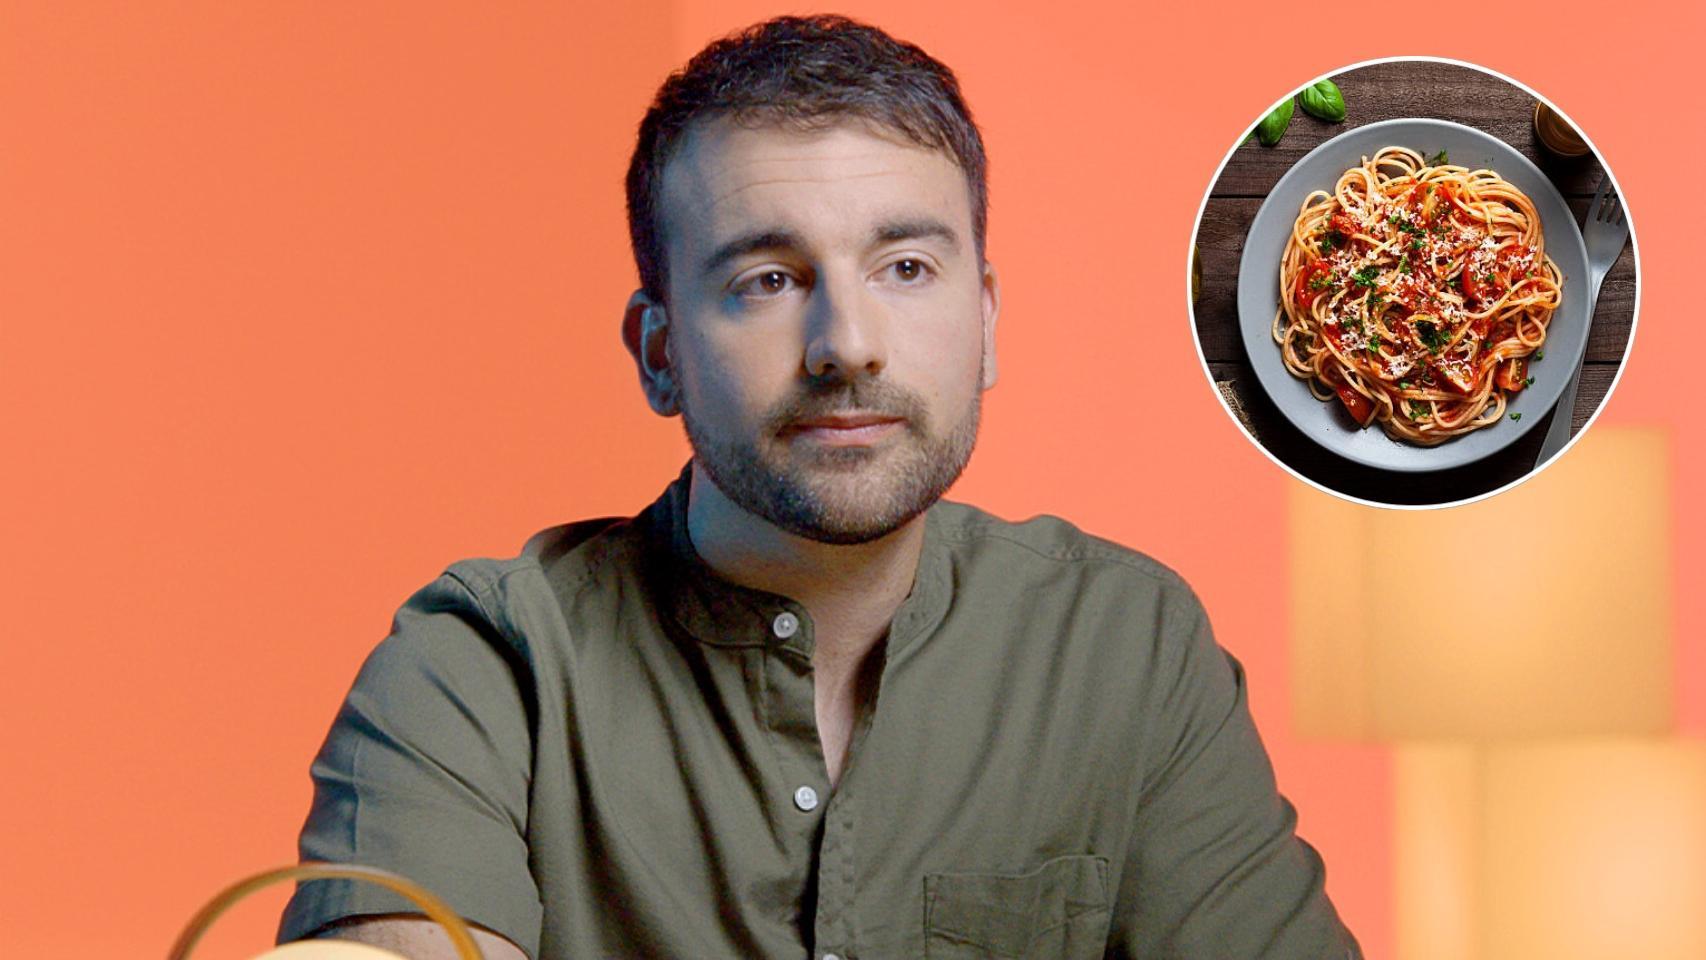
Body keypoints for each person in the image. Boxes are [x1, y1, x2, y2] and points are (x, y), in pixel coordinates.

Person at [277, 14, 1359, 959]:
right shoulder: (486, 664)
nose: (846, 344)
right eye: (766, 280)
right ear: (657, 354)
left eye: (904, 268)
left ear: (983, 321)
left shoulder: (1125, 646)